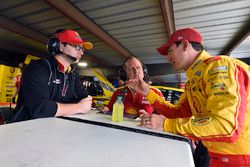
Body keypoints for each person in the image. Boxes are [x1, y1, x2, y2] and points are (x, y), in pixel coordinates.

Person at [127, 28, 250, 167]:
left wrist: (165, 124)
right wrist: (147, 92)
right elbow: (178, 113)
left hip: (242, 158)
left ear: (185, 45)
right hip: (217, 156)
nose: (168, 58)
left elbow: (226, 127)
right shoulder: (193, 79)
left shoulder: (219, 66)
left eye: (170, 51)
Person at [11, 29, 93, 122]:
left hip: (56, 127)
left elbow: (86, 100)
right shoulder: (38, 68)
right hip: (26, 128)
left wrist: (77, 106)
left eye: (82, 48)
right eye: (77, 47)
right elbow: (40, 108)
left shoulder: (73, 74)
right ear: (61, 46)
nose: (81, 52)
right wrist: (78, 107)